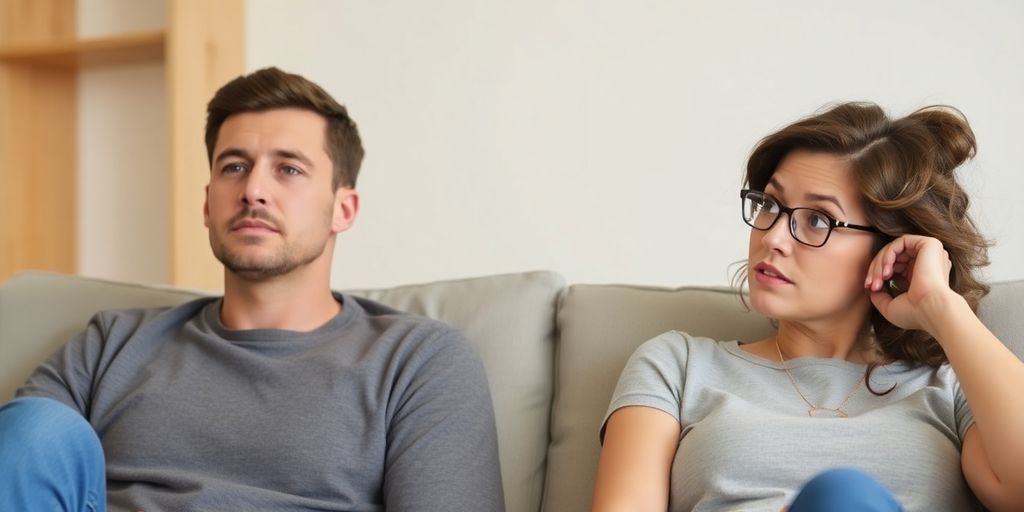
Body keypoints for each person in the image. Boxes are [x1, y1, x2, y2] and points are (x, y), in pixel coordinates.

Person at [0, 67, 505, 512]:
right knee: (37, 427)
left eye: (289, 169)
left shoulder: (417, 360)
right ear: (207, 204)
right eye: (234, 166)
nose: (253, 190)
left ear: (343, 209)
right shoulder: (112, 343)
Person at [593, 102, 1024, 511]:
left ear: (888, 247)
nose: (773, 238)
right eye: (770, 205)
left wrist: (942, 307)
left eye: (817, 219)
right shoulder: (678, 365)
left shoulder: (951, 388)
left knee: (843, 495)